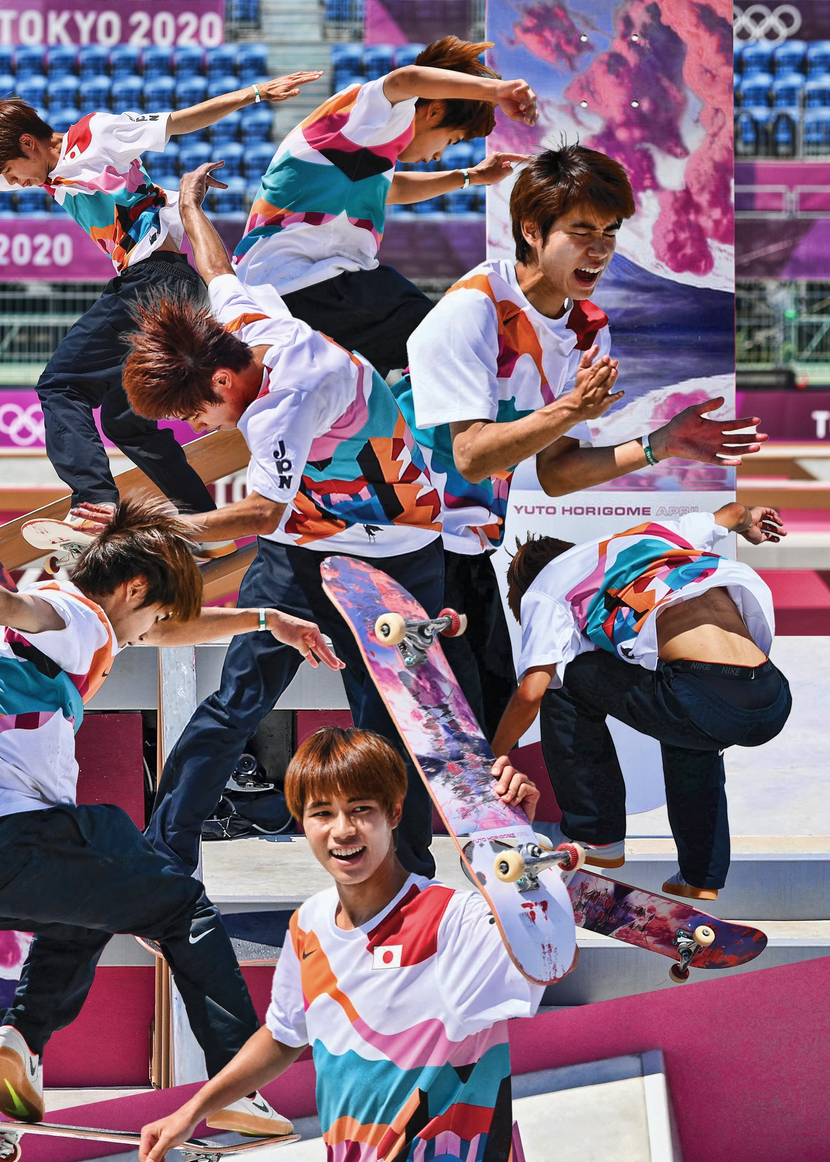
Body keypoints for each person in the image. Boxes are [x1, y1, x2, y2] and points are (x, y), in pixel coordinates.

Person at [0, 499, 339, 1130]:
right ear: (133, 586)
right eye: (153, 610)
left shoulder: (76, 610)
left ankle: (22, 1040)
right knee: (178, 901)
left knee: (95, 893)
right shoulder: (72, 616)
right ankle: (237, 1081)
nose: (150, 633)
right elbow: (19, 608)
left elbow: (156, 629)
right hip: (11, 843)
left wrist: (263, 618)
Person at [122, 161, 446, 880]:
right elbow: (217, 267)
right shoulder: (243, 323)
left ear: (221, 381)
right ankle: (164, 850)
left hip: (397, 552)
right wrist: (187, 201)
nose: (193, 428)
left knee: (390, 718)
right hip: (303, 548)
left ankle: (411, 871)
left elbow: (261, 509)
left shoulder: (283, 405)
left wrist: (158, 530)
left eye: (189, 413)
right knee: (236, 700)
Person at [395, 141, 769, 740]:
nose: (600, 248)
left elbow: (557, 471)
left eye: (610, 231)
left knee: (489, 714)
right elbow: (471, 453)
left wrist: (660, 446)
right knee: (426, 721)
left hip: (464, 544)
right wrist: (568, 406)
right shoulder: (475, 309)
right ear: (531, 231)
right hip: (399, 537)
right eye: (581, 230)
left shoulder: (583, 329)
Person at [138, 726, 558, 1162]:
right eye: (322, 813)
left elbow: (547, 953)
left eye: (361, 809)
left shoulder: (452, 922)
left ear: (395, 813)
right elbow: (285, 1036)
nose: (342, 830)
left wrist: (518, 843)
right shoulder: (310, 925)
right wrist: (190, 1113)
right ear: (302, 822)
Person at [0, 73, 319, 535]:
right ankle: (203, 522)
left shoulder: (94, 134)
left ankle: (95, 501)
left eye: (12, 172)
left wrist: (254, 94)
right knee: (127, 422)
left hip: (154, 280)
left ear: (28, 143)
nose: (14, 184)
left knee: (61, 385)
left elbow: (178, 122)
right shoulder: (48, 176)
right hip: (165, 286)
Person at [490, 504, 793, 898]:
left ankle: (594, 833)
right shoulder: (651, 537)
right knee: (683, 719)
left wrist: (489, 760)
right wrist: (750, 522)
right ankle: (701, 875)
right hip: (771, 697)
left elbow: (530, 692)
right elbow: (733, 513)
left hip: (702, 699)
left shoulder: (546, 589)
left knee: (565, 678)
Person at [232, 37, 536, 375]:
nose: (438, 155)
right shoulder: (375, 115)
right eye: (450, 140)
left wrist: (469, 177)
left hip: (287, 291)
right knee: (441, 336)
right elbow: (404, 80)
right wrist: (495, 92)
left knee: (354, 391)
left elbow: (387, 190)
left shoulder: (366, 150)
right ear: (433, 110)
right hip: (300, 283)